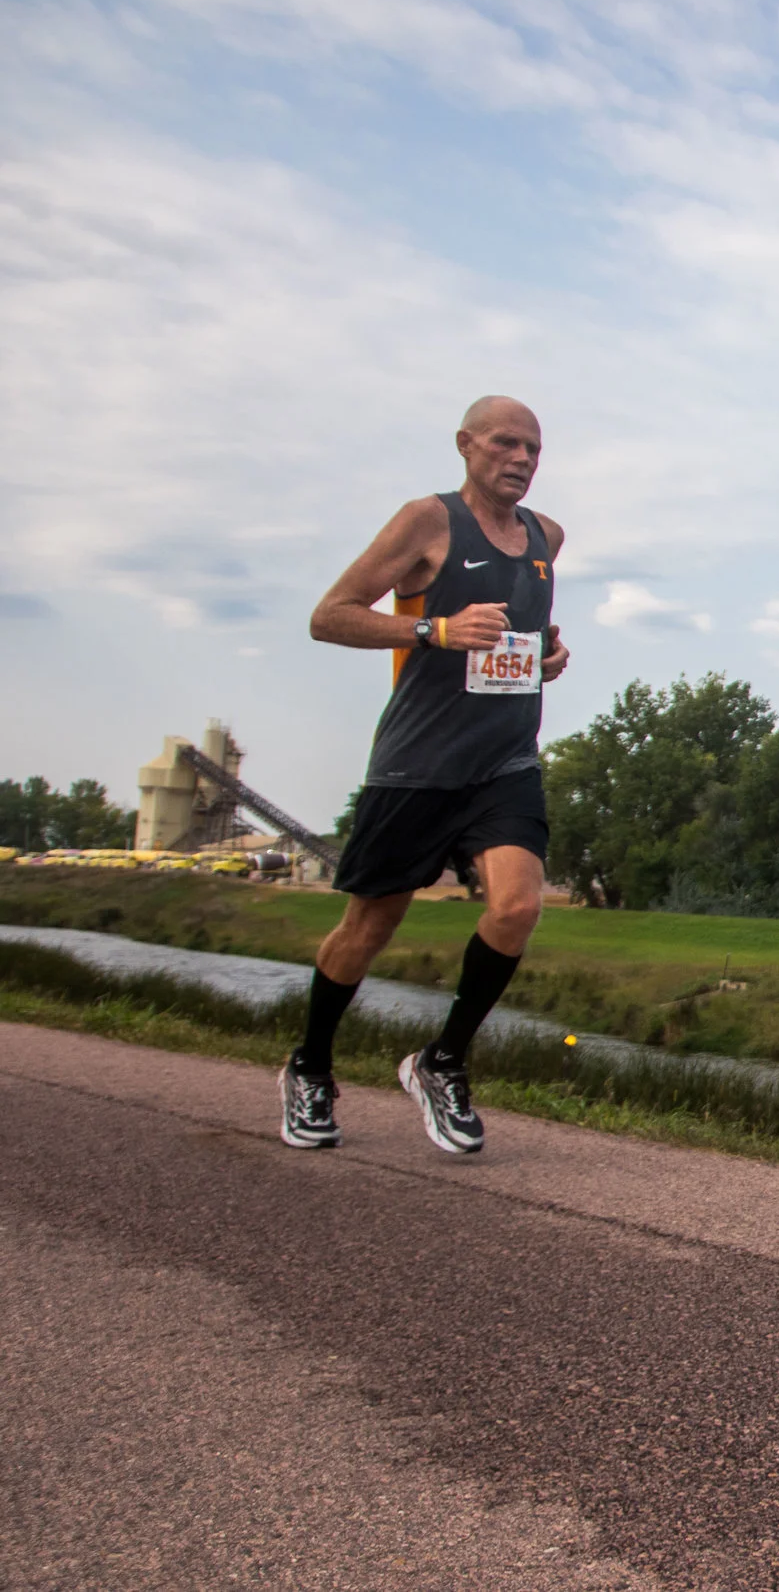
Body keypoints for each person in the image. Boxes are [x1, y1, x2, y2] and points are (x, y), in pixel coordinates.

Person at [280, 395, 570, 1154]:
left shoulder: (548, 538)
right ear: (466, 445)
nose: (522, 459)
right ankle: (310, 1063)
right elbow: (330, 615)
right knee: (367, 929)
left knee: (516, 908)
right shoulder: (427, 522)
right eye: (506, 443)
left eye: (534, 448)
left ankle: (443, 1060)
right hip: (417, 763)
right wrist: (432, 629)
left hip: (504, 761)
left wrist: (544, 659)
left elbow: (520, 639)